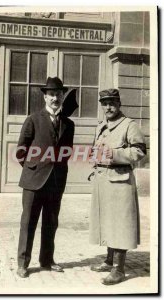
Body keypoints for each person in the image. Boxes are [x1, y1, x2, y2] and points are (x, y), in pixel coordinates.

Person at [16, 77, 77, 278]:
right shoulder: (33, 119)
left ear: (62, 96)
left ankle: (47, 260)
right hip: (33, 181)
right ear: (45, 97)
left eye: (58, 94)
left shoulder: (69, 124)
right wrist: (33, 167)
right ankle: (23, 263)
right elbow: (21, 150)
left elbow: (66, 152)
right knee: (29, 222)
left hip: (56, 182)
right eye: (51, 94)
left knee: (51, 222)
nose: (55, 98)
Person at [89, 88, 146, 285]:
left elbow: (139, 151)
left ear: (119, 103)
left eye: (112, 102)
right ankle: (108, 260)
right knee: (106, 221)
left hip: (120, 182)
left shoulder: (129, 125)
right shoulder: (101, 126)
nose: (108, 107)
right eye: (104, 103)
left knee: (120, 224)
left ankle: (119, 270)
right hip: (103, 181)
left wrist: (112, 154)